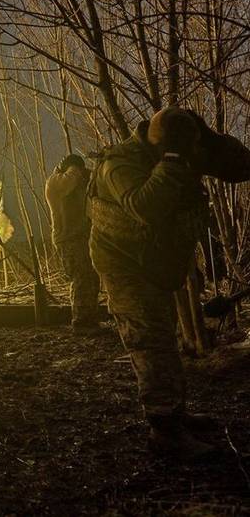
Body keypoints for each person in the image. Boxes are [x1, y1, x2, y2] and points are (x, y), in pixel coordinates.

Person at [88, 107, 250, 460]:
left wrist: (208, 141)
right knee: (151, 340)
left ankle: (176, 414)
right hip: (124, 265)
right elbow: (146, 206)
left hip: (159, 261)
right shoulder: (118, 163)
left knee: (165, 335)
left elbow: (240, 167)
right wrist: (175, 159)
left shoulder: (179, 147)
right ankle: (164, 429)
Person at [45, 154, 102, 335]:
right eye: (76, 169)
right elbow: (68, 183)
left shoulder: (76, 181)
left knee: (90, 278)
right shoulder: (55, 182)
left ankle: (89, 320)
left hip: (82, 236)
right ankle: (82, 324)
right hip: (68, 238)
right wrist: (77, 168)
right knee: (81, 278)